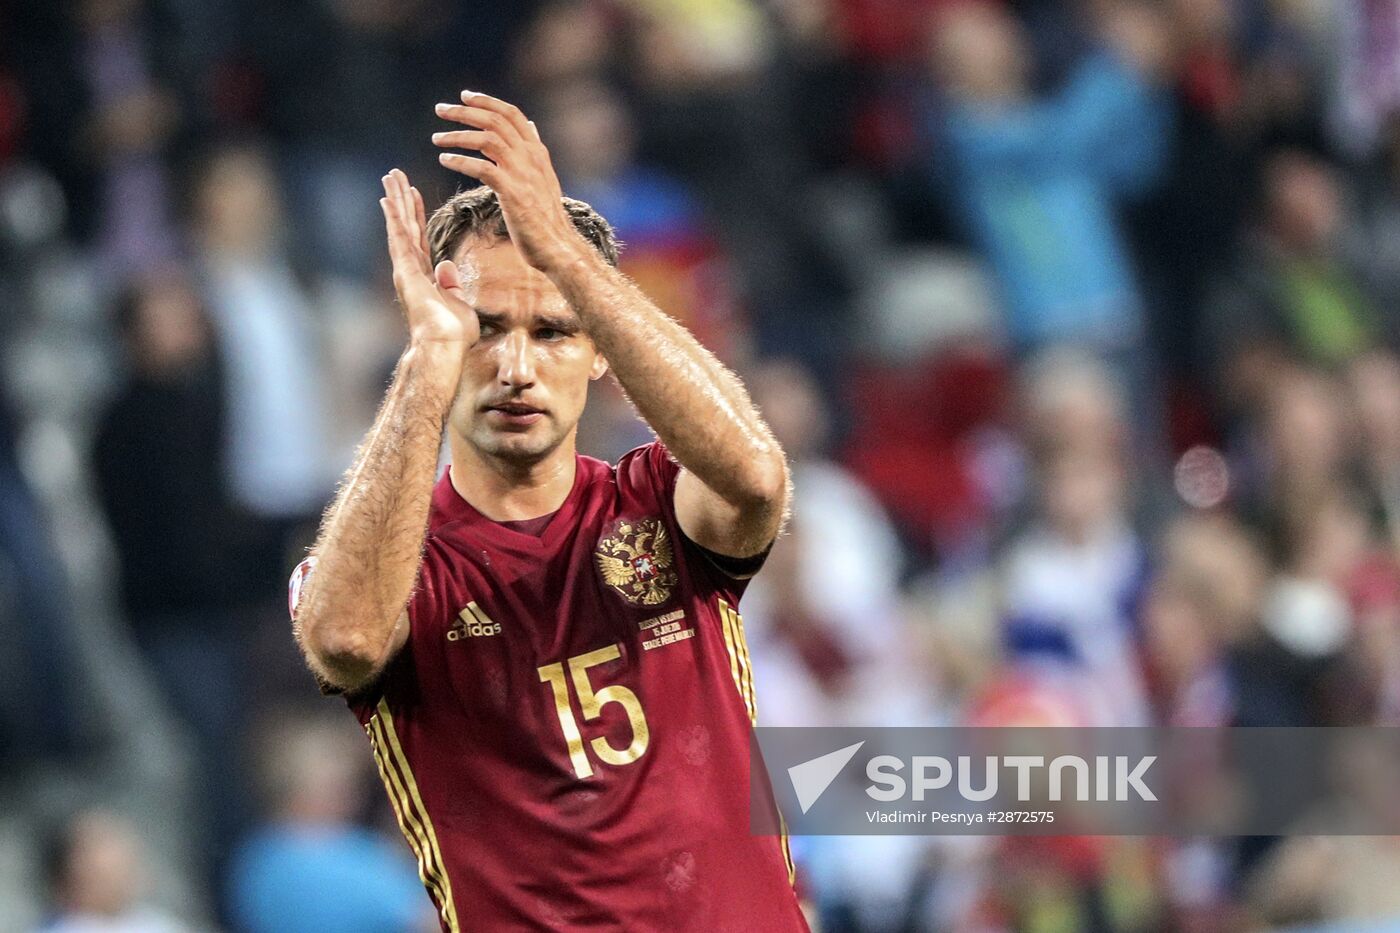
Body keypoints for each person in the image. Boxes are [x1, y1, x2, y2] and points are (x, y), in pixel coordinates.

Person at [288, 91, 804, 930]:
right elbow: (344, 639)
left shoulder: (656, 504)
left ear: (599, 350)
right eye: (483, 328)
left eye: (555, 329)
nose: (516, 368)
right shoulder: (393, 566)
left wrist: (565, 253)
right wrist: (426, 359)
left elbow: (755, 480)